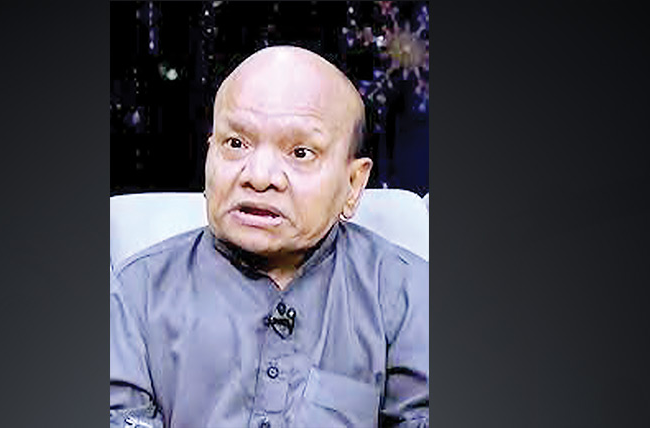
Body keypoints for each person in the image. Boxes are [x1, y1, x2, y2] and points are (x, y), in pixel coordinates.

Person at [110, 46, 429, 428]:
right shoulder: (134, 293)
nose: (259, 176)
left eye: (300, 152)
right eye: (235, 144)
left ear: (353, 183)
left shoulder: (406, 293)